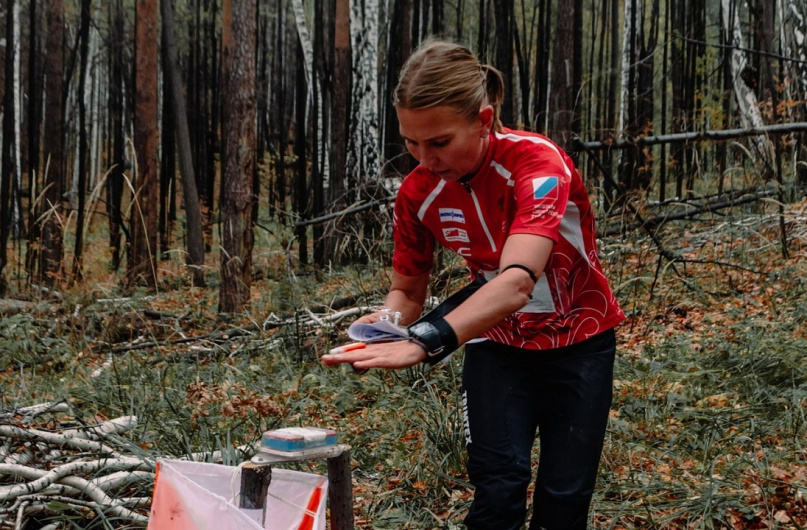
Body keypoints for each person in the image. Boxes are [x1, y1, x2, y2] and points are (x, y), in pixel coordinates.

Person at [321, 39, 625, 530]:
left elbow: (516, 283)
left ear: (484, 121)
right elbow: (408, 293)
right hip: (497, 343)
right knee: (498, 486)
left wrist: (428, 340)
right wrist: (385, 325)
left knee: (564, 496)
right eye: (411, 143)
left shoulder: (537, 163)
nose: (424, 158)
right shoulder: (417, 192)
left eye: (439, 142)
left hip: (580, 341)